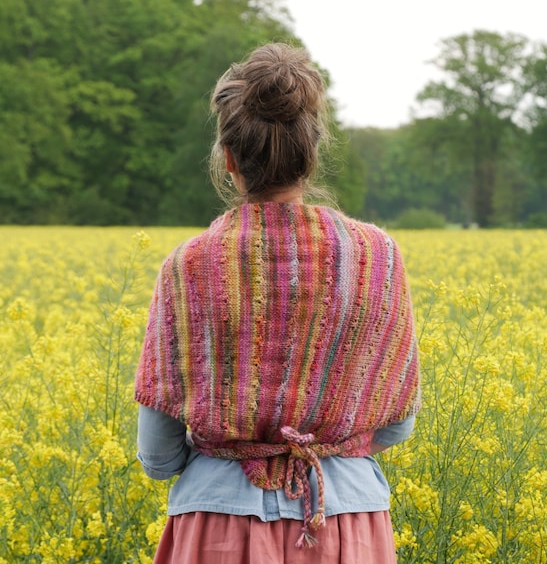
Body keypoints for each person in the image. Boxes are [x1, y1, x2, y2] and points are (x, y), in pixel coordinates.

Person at [135, 42, 420, 564]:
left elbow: (158, 456)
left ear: (227, 159)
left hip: (217, 524)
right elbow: (398, 422)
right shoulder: (377, 257)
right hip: (348, 523)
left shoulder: (188, 267)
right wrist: (329, 450)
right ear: (312, 152)